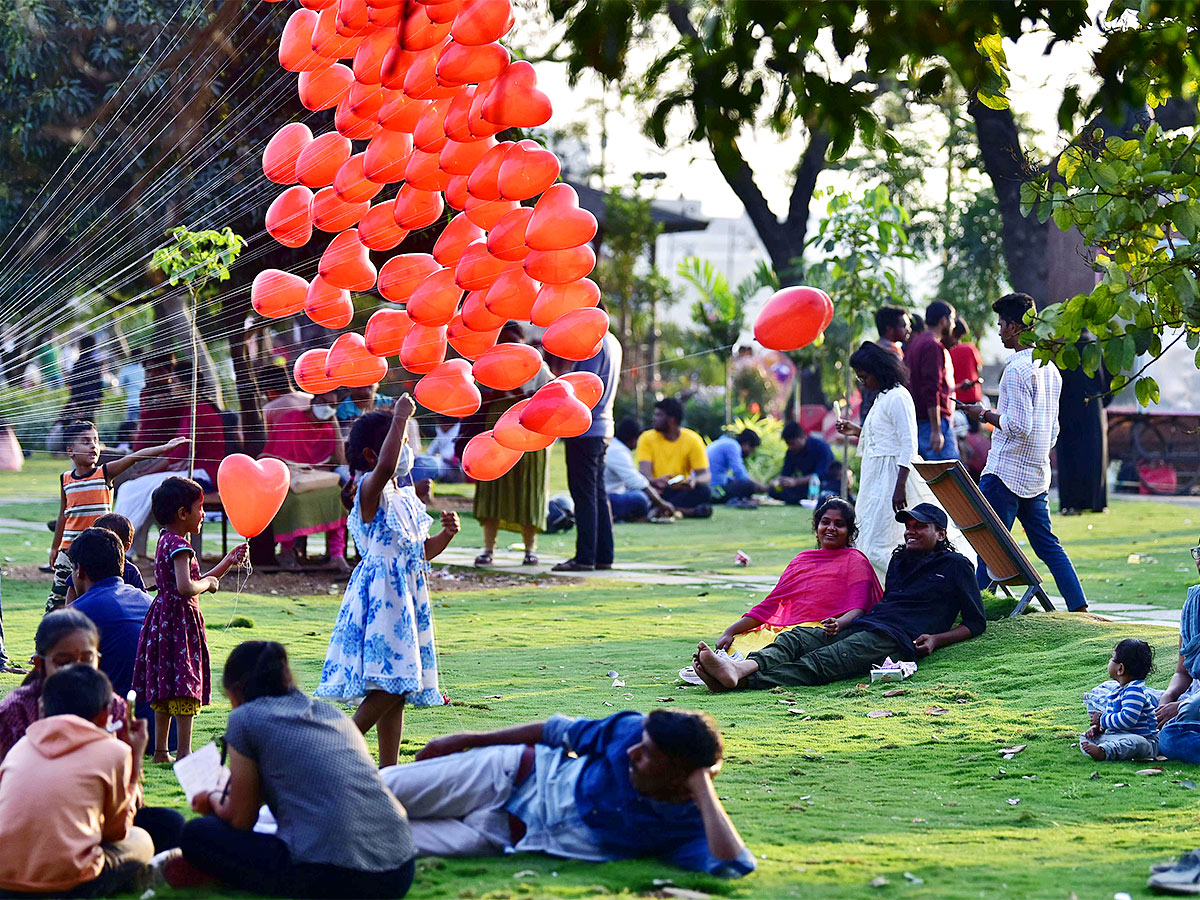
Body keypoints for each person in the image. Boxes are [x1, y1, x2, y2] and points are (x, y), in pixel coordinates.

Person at [379, 709, 756, 878]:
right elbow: (554, 731)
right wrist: (467, 739)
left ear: (680, 776)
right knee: (372, 792)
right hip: (505, 773)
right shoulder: (628, 731)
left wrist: (703, 787)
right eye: (639, 743)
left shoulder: (685, 828)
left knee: (369, 837)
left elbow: (734, 865)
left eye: (648, 754)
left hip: (498, 837)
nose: (631, 752)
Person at [175, 642, 416, 898]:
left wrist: (212, 798)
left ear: (236, 692)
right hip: (400, 867)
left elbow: (241, 820)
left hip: (338, 874)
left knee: (196, 834)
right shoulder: (330, 714)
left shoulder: (245, 718)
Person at [690, 504, 985, 691]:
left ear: (942, 534)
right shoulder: (900, 561)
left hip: (894, 639)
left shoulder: (957, 567)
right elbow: (885, 604)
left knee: (820, 661)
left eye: (920, 526)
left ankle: (738, 682)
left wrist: (935, 639)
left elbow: (975, 623)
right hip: (866, 626)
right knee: (797, 640)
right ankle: (739, 668)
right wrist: (843, 625)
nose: (911, 531)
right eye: (908, 526)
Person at [315, 401, 460, 767]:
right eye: (399, 442)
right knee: (393, 681)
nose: (407, 450)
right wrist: (399, 417)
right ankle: (335, 743)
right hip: (382, 595)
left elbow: (420, 552)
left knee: (395, 685)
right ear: (370, 454)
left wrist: (445, 535)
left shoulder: (405, 498)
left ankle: (389, 768)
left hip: (406, 593)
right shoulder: (370, 488)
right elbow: (385, 467)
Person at [959, 292, 1089, 613]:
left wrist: (983, 414)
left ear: (1016, 327)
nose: (1000, 331)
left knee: (988, 547)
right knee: (1048, 546)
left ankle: (976, 614)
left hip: (1004, 474)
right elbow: (1052, 431)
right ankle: (1079, 607)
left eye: (1002, 324)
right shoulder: (1050, 369)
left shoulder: (1017, 370)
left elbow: (1018, 426)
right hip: (1036, 475)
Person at [0, 666, 155, 897]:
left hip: (6, 883)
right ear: (105, 715)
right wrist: (135, 763)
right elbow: (117, 832)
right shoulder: (115, 751)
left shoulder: (21, 747)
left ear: (44, 709)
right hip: (69, 883)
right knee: (141, 839)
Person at [835, 342, 972, 583]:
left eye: (864, 376)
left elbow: (908, 444)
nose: (862, 382)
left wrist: (899, 486)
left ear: (878, 371)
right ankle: (877, 596)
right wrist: (855, 430)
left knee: (881, 543)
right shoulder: (883, 397)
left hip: (892, 478)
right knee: (867, 539)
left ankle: (910, 589)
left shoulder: (899, 396)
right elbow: (883, 436)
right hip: (875, 478)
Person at [133, 477, 247, 762]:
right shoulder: (181, 547)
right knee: (185, 682)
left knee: (165, 682)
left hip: (162, 619)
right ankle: (183, 752)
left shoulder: (166, 540)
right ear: (183, 514)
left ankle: (161, 751)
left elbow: (192, 579)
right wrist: (208, 584)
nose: (204, 513)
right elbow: (187, 586)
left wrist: (227, 562)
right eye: (199, 508)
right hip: (180, 621)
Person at [48, 420, 186, 611]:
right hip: (69, 552)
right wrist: (55, 547)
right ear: (70, 450)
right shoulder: (65, 479)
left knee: (95, 599)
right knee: (58, 602)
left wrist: (166, 447)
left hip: (98, 552)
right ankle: (53, 636)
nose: (93, 446)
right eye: (85, 441)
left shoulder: (104, 473)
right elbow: (63, 515)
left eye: (95, 441)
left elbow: (135, 457)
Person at [714, 497, 882, 651]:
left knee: (777, 649)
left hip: (824, 630)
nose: (831, 528)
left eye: (839, 524)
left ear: (850, 533)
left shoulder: (855, 561)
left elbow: (859, 607)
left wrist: (839, 623)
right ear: (817, 528)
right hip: (788, 627)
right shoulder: (802, 560)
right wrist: (730, 631)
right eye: (825, 522)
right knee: (738, 645)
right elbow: (771, 605)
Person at [0, 610, 129, 764]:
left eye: (87, 659)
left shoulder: (112, 707)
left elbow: (124, 779)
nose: (76, 669)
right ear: (39, 663)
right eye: (63, 662)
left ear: (98, 659)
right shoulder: (17, 711)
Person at [474, 323, 553, 565]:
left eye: (513, 341)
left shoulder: (538, 365)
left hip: (530, 433)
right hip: (496, 433)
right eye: (503, 341)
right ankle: (488, 549)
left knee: (528, 489)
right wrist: (495, 394)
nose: (508, 346)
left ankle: (530, 550)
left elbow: (551, 393)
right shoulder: (488, 364)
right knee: (492, 489)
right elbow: (476, 397)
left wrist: (522, 394)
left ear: (522, 342)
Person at [555, 327, 622, 572]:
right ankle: (604, 555)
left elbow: (582, 386)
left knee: (583, 494)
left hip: (585, 427)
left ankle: (585, 557)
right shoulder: (612, 341)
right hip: (604, 426)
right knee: (597, 493)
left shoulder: (592, 342)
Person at [260, 389, 349, 572]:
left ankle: (337, 555)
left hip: (316, 479)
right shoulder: (291, 419)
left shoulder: (327, 428)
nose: (327, 408)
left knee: (337, 497)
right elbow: (277, 457)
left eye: (332, 406)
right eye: (324, 403)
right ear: (313, 402)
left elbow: (339, 460)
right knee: (294, 500)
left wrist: (334, 423)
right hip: (288, 478)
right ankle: (287, 552)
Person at [1150, 541, 1200, 763]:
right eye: (1199, 552)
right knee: (1118, 695)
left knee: (1171, 737)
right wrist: (1167, 698)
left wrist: (1180, 707)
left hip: (1192, 705)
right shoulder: (1193, 602)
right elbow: (1183, 672)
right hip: (1192, 698)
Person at [1056, 332, 1112, 515]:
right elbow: (1106, 379)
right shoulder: (1093, 346)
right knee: (1093, 455)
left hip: (1067, 405)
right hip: (1091, 404)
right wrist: (1102, 401)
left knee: (1069, 455)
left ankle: (1071, 503)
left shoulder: (1062, 347)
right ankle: (1096, 502)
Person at [1080, 639, 1158, 761]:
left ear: (1120, 668)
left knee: (1136, 742)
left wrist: (1102, 720)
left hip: (1144, 741)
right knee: (1086, 737)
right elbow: (1114, 719)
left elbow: (1127, 719)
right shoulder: (1117, 691)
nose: (1109, 661)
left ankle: (1105, 752)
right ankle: (1104, 748)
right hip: (1118, 736)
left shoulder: (1134, 691)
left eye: (1112, 658)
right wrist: (1099, 729)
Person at [635, 398, 712, 518]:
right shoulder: (646, 438)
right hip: (656, 490)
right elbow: (644, 475)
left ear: (672, 419)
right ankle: (687, 511)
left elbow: (705, 475)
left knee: (704, 491)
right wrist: (656, 481)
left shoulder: (693, 439)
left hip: (680, 489)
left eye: (659, 415)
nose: (654, 418)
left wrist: (694, 481)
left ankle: (664, 509)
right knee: (642, 496)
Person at [904, 300, 959, 460]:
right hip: (932, 423)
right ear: (944, 320)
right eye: (952, 319)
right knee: (948, 478)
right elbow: (931, 388)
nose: (953, 324)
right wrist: (936, 430)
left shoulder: (917, 343)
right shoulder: (932, 345)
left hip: (920, 420)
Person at [64, 513, 145, 604]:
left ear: (126, 546)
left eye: (110, 541)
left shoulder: (131, 571)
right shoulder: (86, 564)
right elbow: (71, 595)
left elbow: (141, 598)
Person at [604, 418, 675, 522]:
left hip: (614, 493)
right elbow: (637, 482)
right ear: (633, 440)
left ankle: (642, 515)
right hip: (609, 496)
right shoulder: (618, 452)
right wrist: (661, 503)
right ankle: (642, 516)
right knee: (641, 499)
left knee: (646, 495)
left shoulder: (615, 447)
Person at [861, 307, 912, 422]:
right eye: (904, 326)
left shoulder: (874, 349)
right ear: (890, 329)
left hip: (869, 411)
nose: (908, 330)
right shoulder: (890, 354)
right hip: (882, 415)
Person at [768, 422, 835, 504]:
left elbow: (820, 474)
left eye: (792, 443)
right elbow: (786, 472)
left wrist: (796, 481)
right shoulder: (791, 452)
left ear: (802, 437)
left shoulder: (821, 447)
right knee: (773, 491)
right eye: (788, 444)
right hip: (804, 486)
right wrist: (778, 481)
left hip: (824, 484)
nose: (790, 447)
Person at [705, 429, 766, 507]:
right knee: (749, 485)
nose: (750, 453)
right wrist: (758, 485)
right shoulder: (733, 446)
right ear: (747, 444)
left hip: (708, 485)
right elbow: (739, 473)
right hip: (714, 488)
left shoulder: (724, 442)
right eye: (752, 450)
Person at [946, 320, 983, 405]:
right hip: (972, 398)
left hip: (953, 399)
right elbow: (979, 368)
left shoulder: (946, 352)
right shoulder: (970, 348)